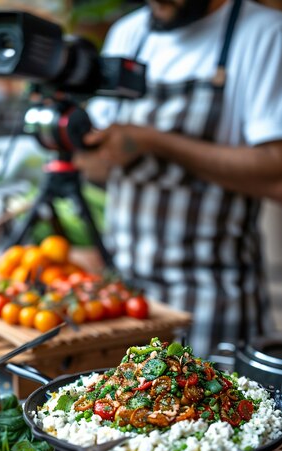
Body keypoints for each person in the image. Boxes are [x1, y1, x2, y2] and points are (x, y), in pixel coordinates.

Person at [73, 0, 282, 358]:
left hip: (215, 301)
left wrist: (154, 142)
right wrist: (83, 146)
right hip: (123, 298)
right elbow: (95, 168)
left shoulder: (264, 33)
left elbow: (276, 171)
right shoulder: (129, 33)